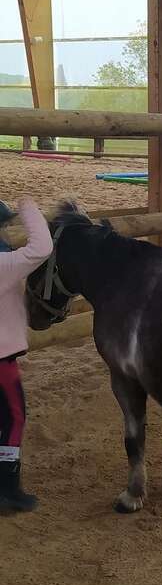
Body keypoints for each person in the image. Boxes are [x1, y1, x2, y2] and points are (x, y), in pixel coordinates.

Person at [0, 197, 53, 512]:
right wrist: (29, 207)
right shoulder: (4, 266)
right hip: (2, 362)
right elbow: (40, 248)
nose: (6, 232)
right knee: (15, 418)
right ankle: (7, 488)